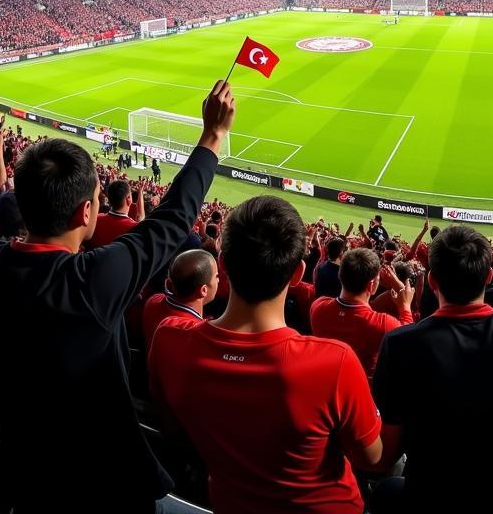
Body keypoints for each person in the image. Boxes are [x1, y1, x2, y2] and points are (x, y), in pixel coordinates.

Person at [0, 80, 234, 514]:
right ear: (86, 212)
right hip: (104, 484)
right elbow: (174, 217)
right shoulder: (91, 280)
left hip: (22, 469)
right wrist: (213, 136)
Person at [149, 195, 382, 513]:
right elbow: (372, 457)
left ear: (222, 266)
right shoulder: (334, 363)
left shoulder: (169, 338)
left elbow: (171, 425)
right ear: (299, 274)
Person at [370, 226, 493, 510]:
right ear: (488, 277)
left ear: (431, 281)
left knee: (384, 491)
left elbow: (385, 456)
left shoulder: (401, 344)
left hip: (436, 498)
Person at [310, 247, 414, 377]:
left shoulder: (318, 306)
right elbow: (409, 338)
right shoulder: (383, 324)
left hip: (324, 379)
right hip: (364, 391)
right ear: (371, 286)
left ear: (340, 275)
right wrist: (405, 307)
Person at [143, 248, 219, 351]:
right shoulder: (198, 334)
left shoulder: (153, 300)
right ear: (203, 290)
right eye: (216, 276)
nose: (218, 280)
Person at [86, 177, 144, 249]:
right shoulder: (134, 228)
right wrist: (140, 192)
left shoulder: (95, 219)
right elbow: (141, 217)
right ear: (128, 199)